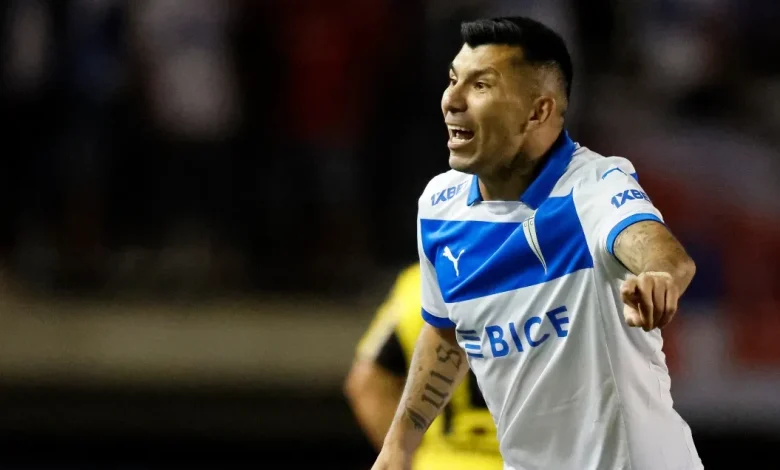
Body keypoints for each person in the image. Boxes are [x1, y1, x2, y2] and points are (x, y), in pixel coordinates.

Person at [372, 16, 703, 470]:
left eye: (480, 85)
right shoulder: (439, 206)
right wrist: (398, 446)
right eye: (452, 80)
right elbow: (447, 333)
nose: (452, 100)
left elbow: (662, 253)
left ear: (538, 112)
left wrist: (657, 279)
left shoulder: (592, 186)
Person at [345, 264, 504, 470]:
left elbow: (366, 382)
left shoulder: (421, 283)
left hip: (443, 462)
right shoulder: (540, 274)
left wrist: (403, 452)